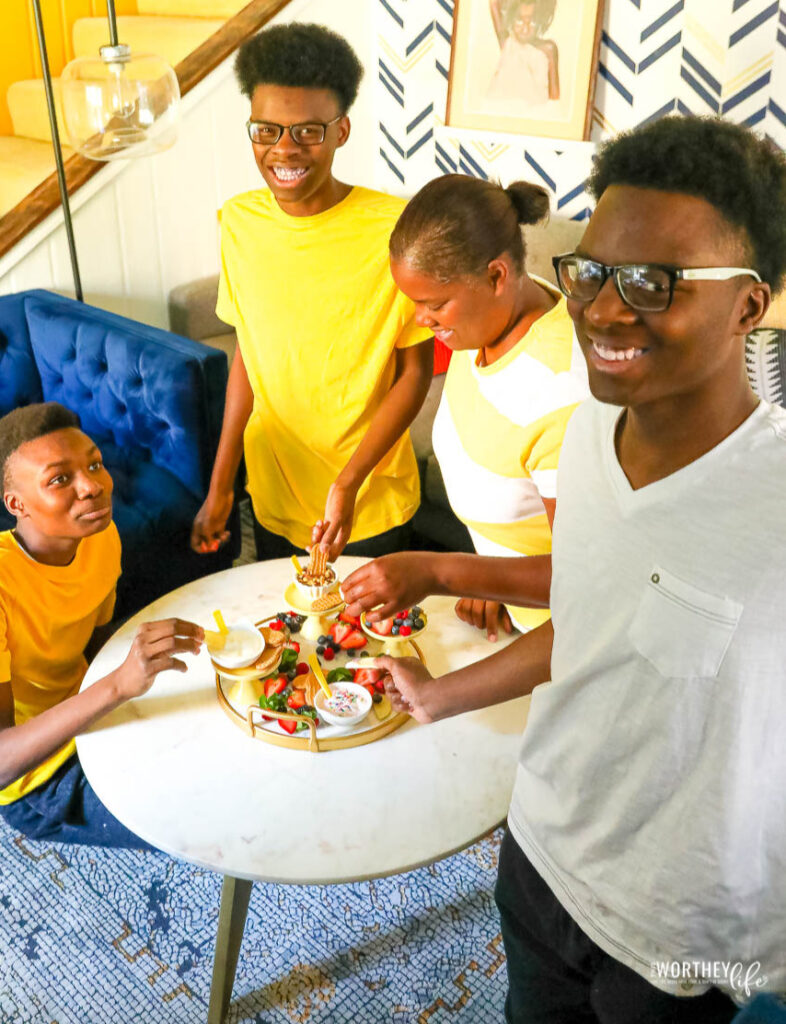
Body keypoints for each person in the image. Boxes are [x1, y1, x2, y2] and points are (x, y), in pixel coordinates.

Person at [369, 115, 786, 1020]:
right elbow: (588, 626)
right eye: (591, 271)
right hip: (542, 860)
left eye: (651, 281)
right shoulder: (594, 425)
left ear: (748, 307)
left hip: (671, 939)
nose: (601, 307)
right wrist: (443, 695)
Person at [190, 23, 433, 564]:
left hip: (369, 500)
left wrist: (346, 485)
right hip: (275, 496)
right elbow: (249, 359)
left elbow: (416, 373)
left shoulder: (396, 229)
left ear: (342, 131)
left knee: (367, 646)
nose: (284, 150)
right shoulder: (238, 222)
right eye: (266, 130)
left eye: (308, 132)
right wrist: (221, 486)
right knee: (286, 641)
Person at [343, 173, 588, 640]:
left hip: (559, 643)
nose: (420, 318)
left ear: (496, 276)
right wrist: (495, 579)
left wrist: (444, 573)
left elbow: (585, 578)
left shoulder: (562, 396)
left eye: (433, 303)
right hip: (512, 614)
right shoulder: (498, 313)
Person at [0, 403, 203, 847]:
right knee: (200, 817)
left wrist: (135, 674)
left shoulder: (99, 537)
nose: (93, 486)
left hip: (93, 704)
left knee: (218, 731)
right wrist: (119, 685)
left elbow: (95, 641)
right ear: (17, 504)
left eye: (94, 464)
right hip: (41, 776)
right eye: (59, 479)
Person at [488, 0, 560, 107]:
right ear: (511, 20)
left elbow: (554, 100)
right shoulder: (508, 43)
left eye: (532, 22)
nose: (525, 29)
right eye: (519, 21)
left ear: (540, 21)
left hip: (536, 114)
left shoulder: (548, 50)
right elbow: (494, 2)